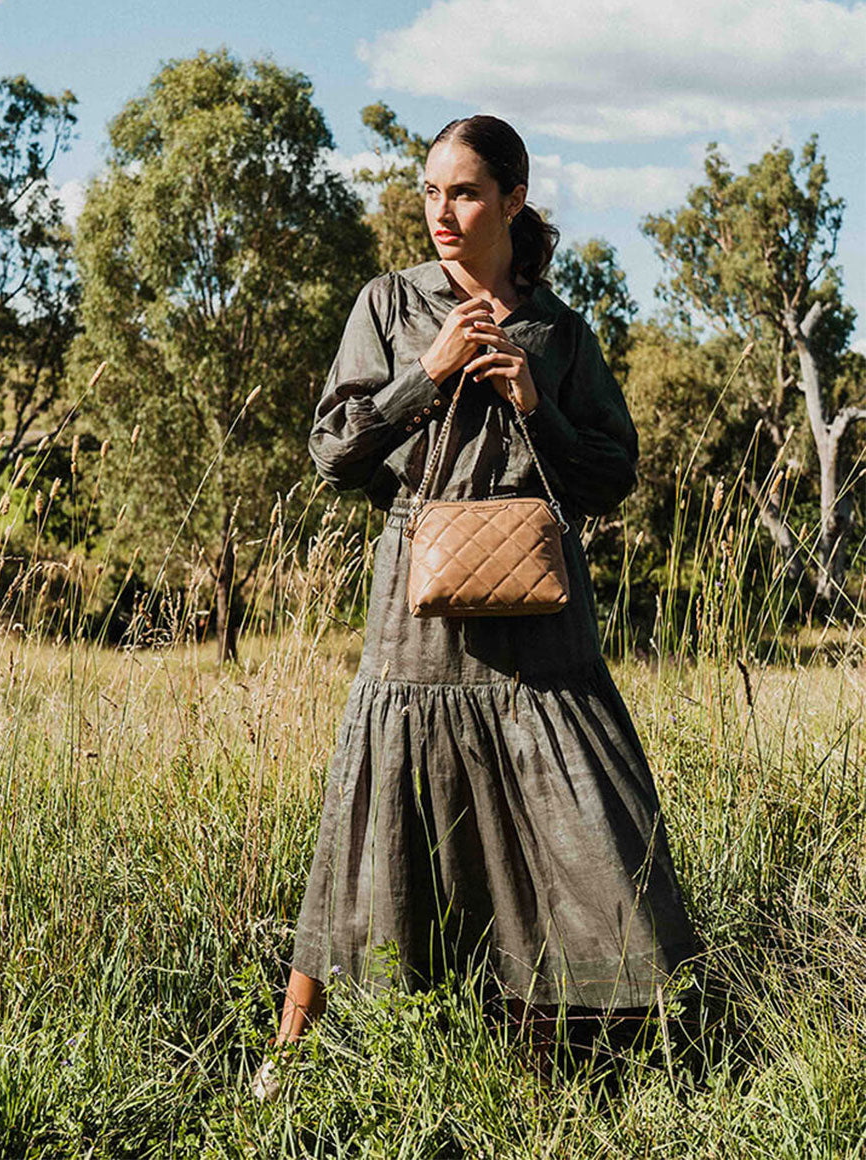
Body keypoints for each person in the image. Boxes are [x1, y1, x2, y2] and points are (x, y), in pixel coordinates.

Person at [250, 115, 698, 1102]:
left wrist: (536, 401)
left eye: (462, 193)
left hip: (544, 636)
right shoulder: (390, 304)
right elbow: (332, 453)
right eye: (429, 192)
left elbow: (613, 473)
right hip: (417, 630)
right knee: (366, 831)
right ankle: (286, 1060)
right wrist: (432, 371)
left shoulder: (559, 331)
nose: (440, 213)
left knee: (597, 835)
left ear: (511, 200)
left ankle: (623, 1058)